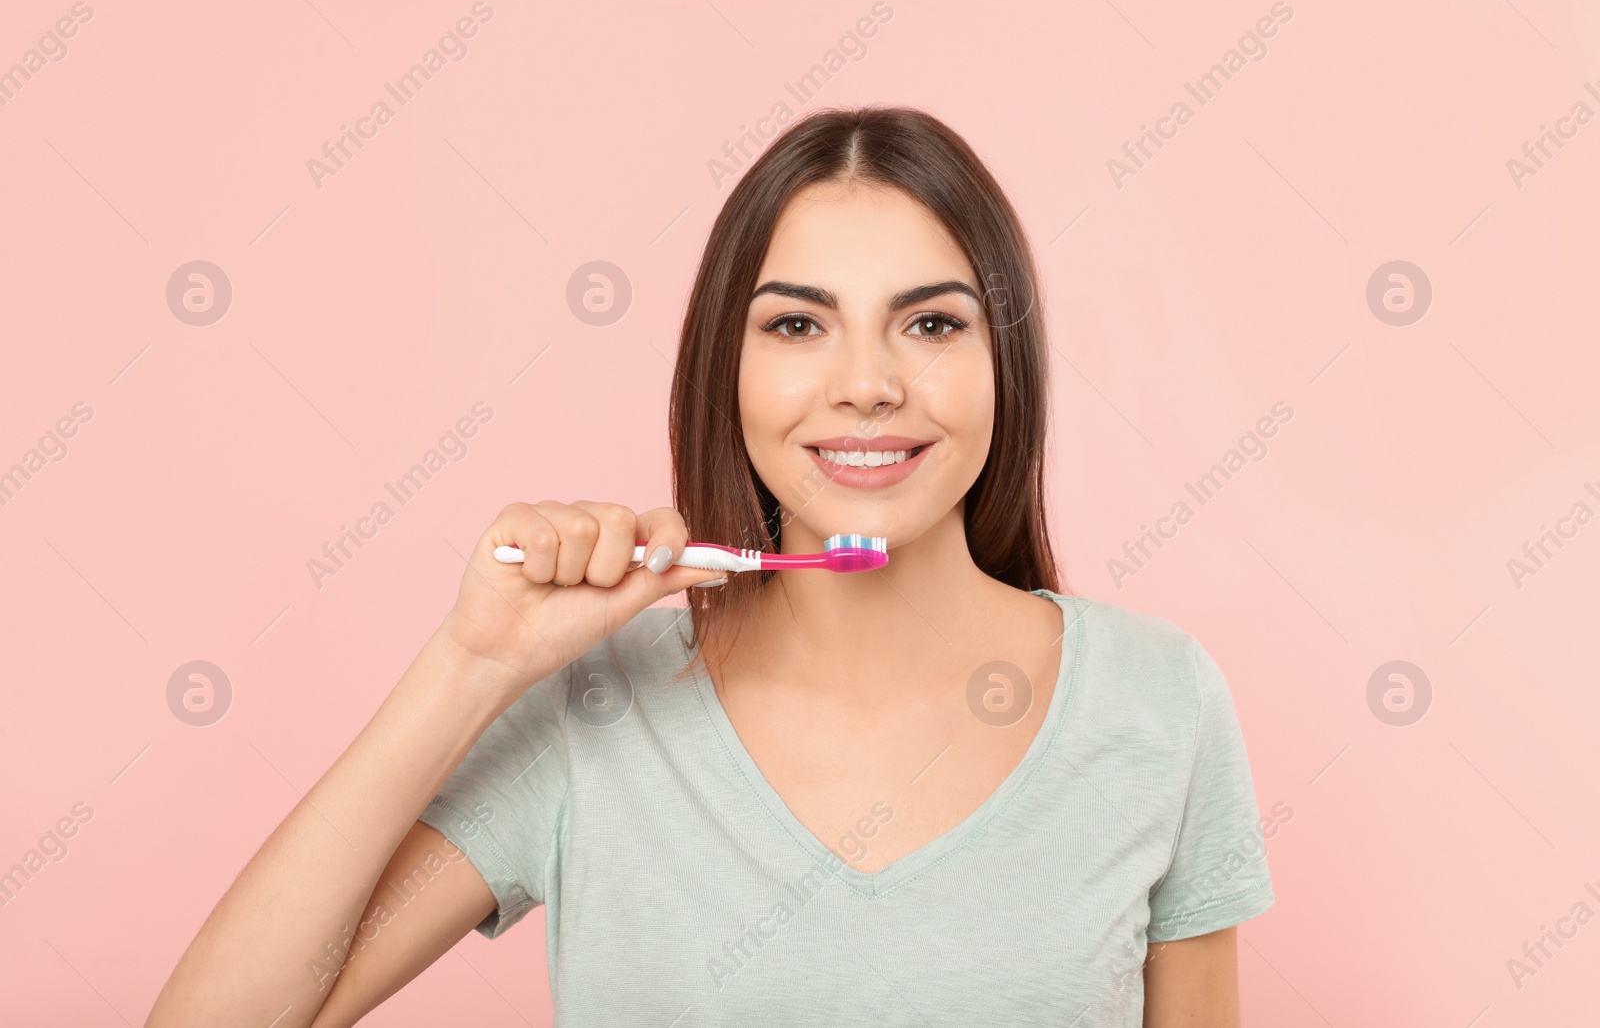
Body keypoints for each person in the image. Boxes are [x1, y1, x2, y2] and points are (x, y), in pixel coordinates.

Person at [147, 105, 1274, 1027]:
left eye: (931, 325)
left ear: (1004, 365)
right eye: (798, 326)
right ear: (723, 371)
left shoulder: (1156, 705)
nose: (868, 383)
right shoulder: (595, 704)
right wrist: (471, 662)